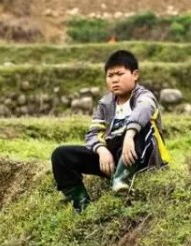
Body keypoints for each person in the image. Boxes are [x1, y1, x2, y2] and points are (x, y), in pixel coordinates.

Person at [51, 50, 170, 212]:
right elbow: (93, 133)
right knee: (61, 155)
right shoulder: (105, 104)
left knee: (141, 128)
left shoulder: (145, 96)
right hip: (114, 158)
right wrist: (101, 150)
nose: (114, 79)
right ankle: (81, 204)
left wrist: (130, 134)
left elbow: (144, 109)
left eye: (120, 74)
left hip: (144, 157)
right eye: (110, 75)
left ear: (135, 75)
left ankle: (121, 180)